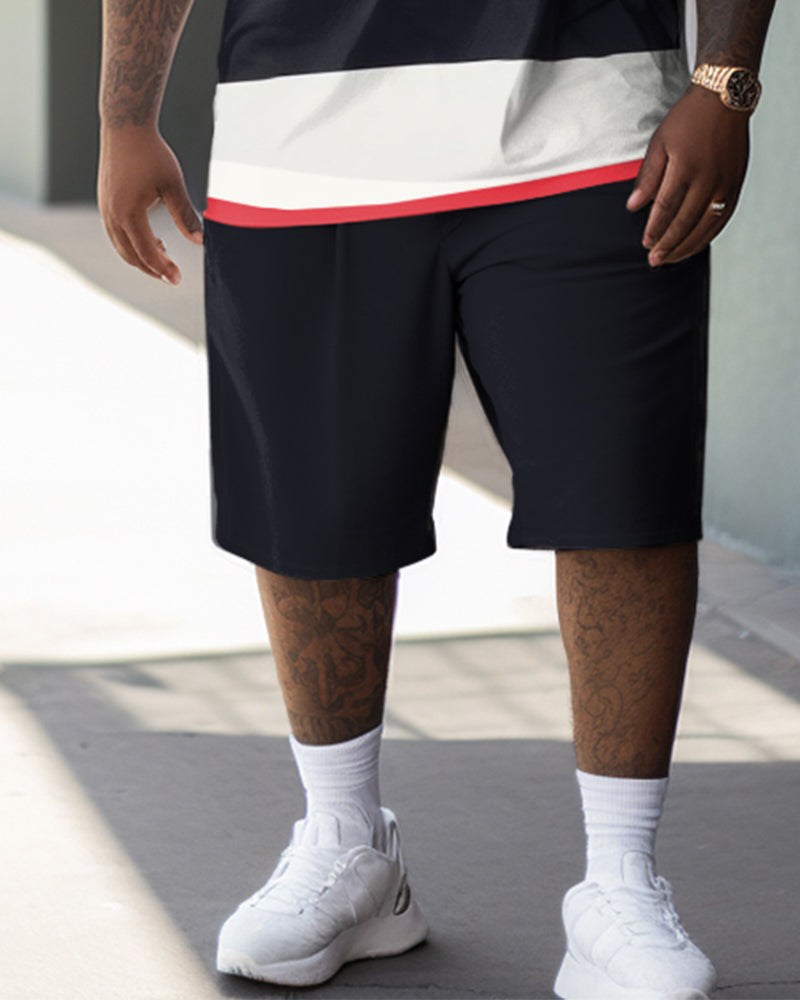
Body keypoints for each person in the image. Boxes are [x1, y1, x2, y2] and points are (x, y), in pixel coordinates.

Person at [97, 1, 776, 996]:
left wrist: (725, 80)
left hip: (588, 123)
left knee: (621, 495)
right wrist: (125, 117)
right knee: (312, 510)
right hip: (298, 136)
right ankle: (346, 840)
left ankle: (619, 882)